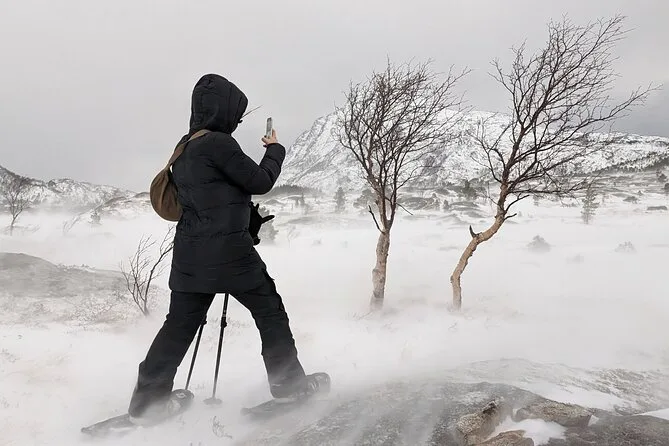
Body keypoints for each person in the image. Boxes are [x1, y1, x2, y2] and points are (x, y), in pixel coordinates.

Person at [126, 73, 327, 424]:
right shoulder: (219, 144)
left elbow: (212, 198)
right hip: (231, 255)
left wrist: (243, 217)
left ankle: (147, 403)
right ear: (224, 110)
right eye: (237, 114)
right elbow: (260, 181)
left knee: (178, 326)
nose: (238, 121)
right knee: (270, 312)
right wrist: (275, 149)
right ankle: (289, 387)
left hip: (190, 256)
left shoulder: (186, 147)